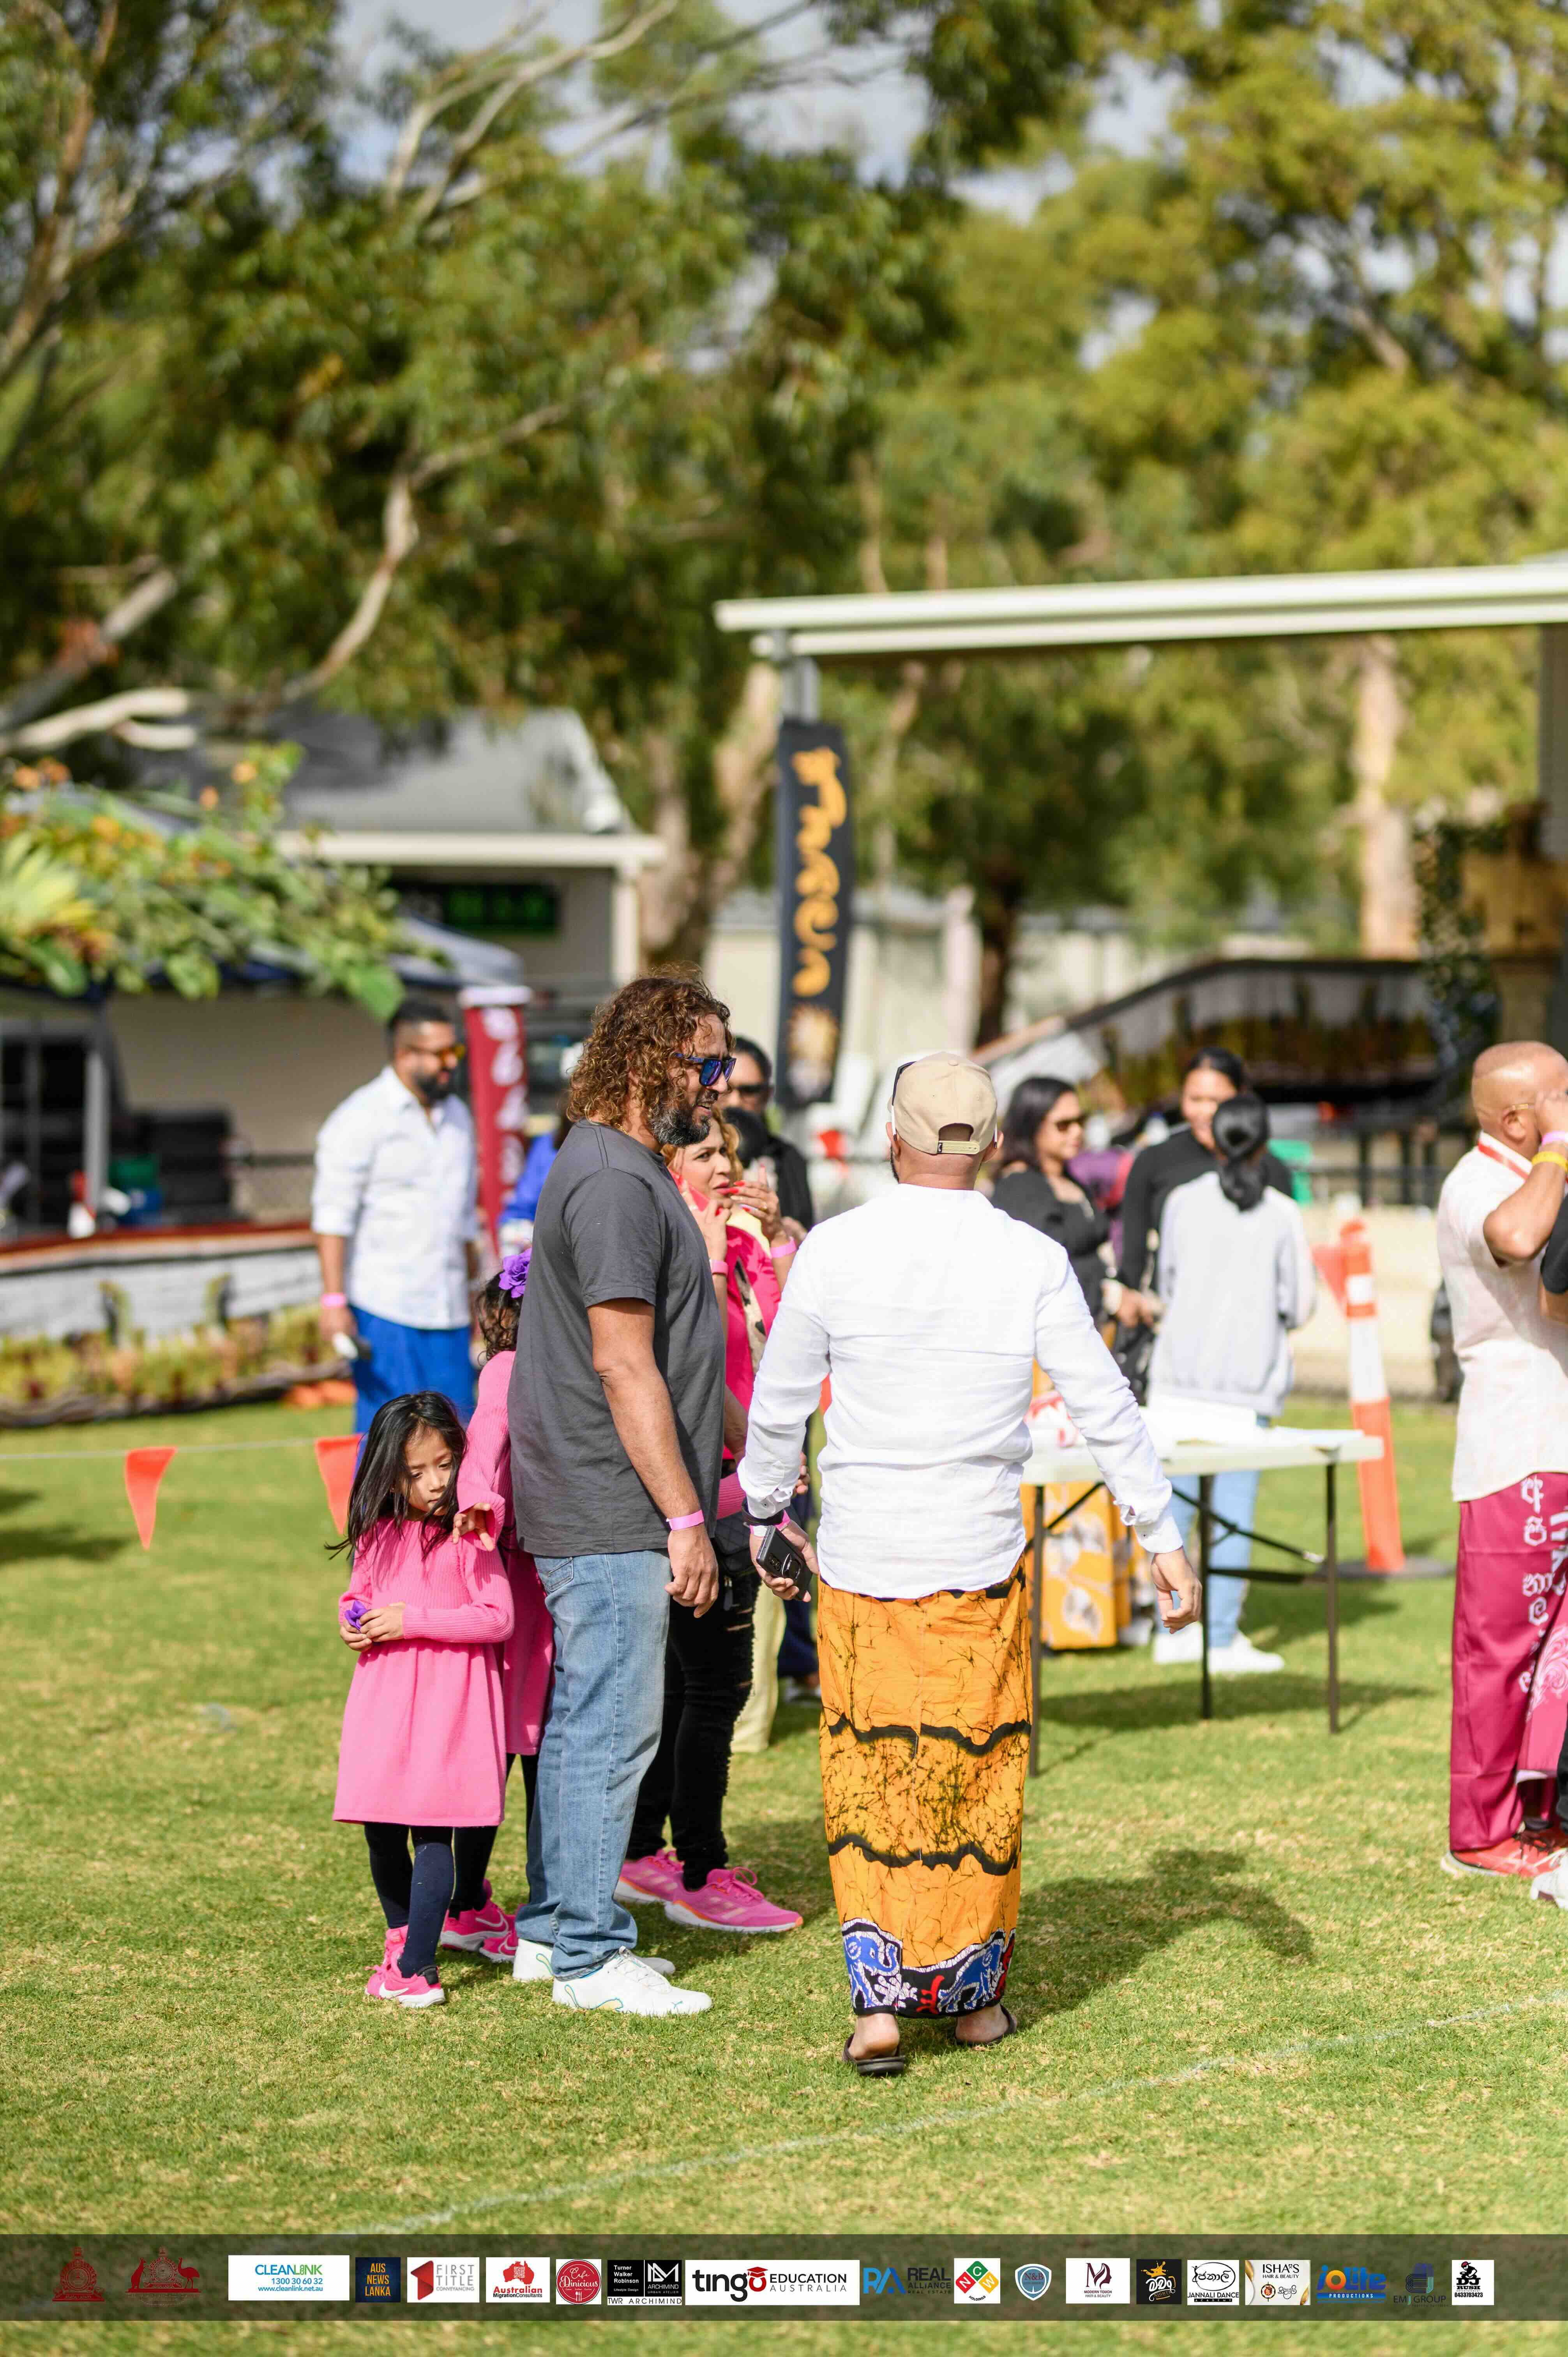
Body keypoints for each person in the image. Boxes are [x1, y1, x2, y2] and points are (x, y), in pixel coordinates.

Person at [737, 1052, 1199, 2076]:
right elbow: (1102, 1402)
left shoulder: (836, 1250)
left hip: (863, 1549)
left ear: (893, 1139)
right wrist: (1161, 1537)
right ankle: (972, 1998)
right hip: (976, 1551)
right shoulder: (1028, 1256)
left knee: (871, 1770)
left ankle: (880, 2006)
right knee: (975, 1770)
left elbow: (778, 1406)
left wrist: (765, 1510)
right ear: (993, 1146)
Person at [507, 973, 737, 2018]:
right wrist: (684, 1518)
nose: (722, 1089)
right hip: (610, 1499)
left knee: (584, 1720)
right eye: (710, 1065)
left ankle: (555, 1933)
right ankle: (594, 1956)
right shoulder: (609, 1179)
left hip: (604, 1491)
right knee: (613, 1726)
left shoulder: (622, 1169)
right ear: (653, 1062)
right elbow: (622, 1362)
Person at [619, 1117, 802, 1934]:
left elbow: (779, 1339)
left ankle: (653, 1854)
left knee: (693, 1684)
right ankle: (694, 1865)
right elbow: (676, 1366)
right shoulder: (668, 1247)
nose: (725, 1166)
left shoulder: (734, 1244)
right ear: (667, 1167)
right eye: (706, 1155)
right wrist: (752, 1450)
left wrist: (774, 1244)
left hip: (732, 1484)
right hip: (697, 1493)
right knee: (710, 1685)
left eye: (726, 1152)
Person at [1434, 1040, 1568, 1883]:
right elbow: (1519, 1238)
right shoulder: (1475, 1184)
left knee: (1553, 1655)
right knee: (1500, 1652)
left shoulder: (1536, 1171)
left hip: (1553, 1437)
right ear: (1517, 1118)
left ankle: (1538, 1815)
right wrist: (1556, 1150)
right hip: (1511, 1446)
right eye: (1561, 1097)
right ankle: (1477, 1836)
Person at [333, 1392, 513, 2009]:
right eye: (416, 1473)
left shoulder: (472, 1533)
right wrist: (351, 1619)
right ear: (389, 1472)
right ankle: (402, 1935)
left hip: (446, 1702)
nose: (435, 1484)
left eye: (444, 1464)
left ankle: (418, 1969)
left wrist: (413, 1621)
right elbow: (359, 1593)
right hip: (384, 1698)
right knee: (381, 1826)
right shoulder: (378, 1533)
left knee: (432, 1832)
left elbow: (497, 1619)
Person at [1145, 1094, 1316, 1675]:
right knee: (1232, 1519)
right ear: (1265, 1144)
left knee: (1175, 1516)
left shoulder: (1181, 1204)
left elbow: (1165, 1281)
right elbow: (1301, 1303)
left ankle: (1172, 1630)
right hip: (1246, 1388)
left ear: (1215, 1141)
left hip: (1177, 1382)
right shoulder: (1280, 1213)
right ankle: (1218, 1638)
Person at [438, 1252, 556, 1971]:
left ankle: (542, 1900)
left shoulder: (575, 1369)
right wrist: (479, 1496)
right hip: (514, 1581)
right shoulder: (508, 1371)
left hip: (553, 1574)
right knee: (507, 1746)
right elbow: (483, 1443)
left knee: (545, 1747)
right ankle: (463, 1902)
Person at [312, 998, 481, 1430]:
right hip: (385, 1308)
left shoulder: (459, 1116)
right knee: (386, 1444)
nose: (450, 1064)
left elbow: (464, 1218)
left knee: (457, 1440)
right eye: (440, 1054)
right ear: (405, 1055)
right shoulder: (359, 1118)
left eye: (454, 1052)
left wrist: (477, 1295)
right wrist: (333, 1301)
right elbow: (333, 1218)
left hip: (448, 1311)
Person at [1115, 1049, 1296, 1321]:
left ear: (1241, 1097)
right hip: (1173, 1318)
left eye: (1217, 1100)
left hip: (1251, 1320)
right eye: (1195, 1099)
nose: (1205, 1111)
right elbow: (1133, 1257)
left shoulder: (1273, 1170)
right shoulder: (1152, 1162)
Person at [991, 1076, 1124, 1325]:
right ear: (1032, 1126)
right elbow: (1044, 1272)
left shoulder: (1066, 1178)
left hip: (1102, 1322)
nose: (1078, 1131)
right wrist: (1112, 1296)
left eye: (1080, 1121)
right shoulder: (1021, 1186)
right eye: (1064, 1125)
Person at [721, 1036, 815, 1231]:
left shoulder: (788, 1158)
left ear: (767, 1095)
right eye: (727, 1089)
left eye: (750, 1091)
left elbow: (803, 1227)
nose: (735, 1101)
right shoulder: (682, 1150)